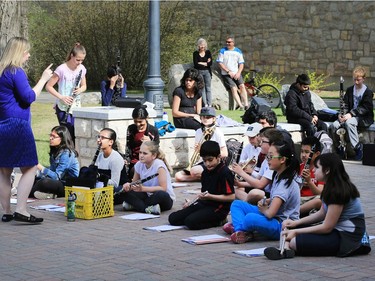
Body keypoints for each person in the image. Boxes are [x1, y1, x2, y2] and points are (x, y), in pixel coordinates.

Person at [264, 153, 371, 260]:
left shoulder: (337, 191)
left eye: (317, 167)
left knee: (294, 241)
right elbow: (321, 213)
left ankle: (287, 248)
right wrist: (295, 223)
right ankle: (286, 250)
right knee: (291, 228)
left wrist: (296, 232)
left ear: (327, 170)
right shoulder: (330, 187)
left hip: (347, 238)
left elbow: (326, 227)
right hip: (336, 230)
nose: (313, 170)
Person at [0, 37, 53, 223]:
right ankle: (21, 209)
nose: (29, 55)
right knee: (30, 167)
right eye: (26, 52)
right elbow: (28, 97)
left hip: (3, 124)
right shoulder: (16, 71)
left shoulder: (1, 72)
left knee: (4, 170)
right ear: (19, 52)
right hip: (18, 125)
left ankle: (6, 211)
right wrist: (43, 79)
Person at [225, 140, 300, 244]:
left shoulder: (284, 183)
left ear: (282, 159)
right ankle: (241, 231)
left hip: (281, 225)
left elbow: (270, 214)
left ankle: (239, 228)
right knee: (237, 204)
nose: (267, 159)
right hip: (273, 217)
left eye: (270, 157)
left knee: (250, 218)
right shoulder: (278, 174)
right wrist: (267, 201)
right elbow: (277, 200)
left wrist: (264, 209)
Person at [169, 141, 235, 229]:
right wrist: (192, 202)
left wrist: (210, 196)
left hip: (218, 208)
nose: (207, 164)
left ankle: (219, 221)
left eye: (210, 160)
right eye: (204, 160)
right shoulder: (205, 172)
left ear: (218, 157)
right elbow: (204, 193)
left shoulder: (224, 172)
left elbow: (231, 197)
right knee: (173, 218)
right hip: (204, 203)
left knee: (190, 222)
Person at [45, 43, 87, 143]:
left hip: (76, 106)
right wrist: (62, 97)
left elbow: (84, 86)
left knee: (76, 135)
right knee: (67, 136)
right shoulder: (61, 69)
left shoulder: (82, 68)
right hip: (63, 107)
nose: (79, 62)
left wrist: (79, 90)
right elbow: (48, 86)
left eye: (82, 60)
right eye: (77, 60)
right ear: (72, 55)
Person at [330, 66, 374, 161]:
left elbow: (365, 108)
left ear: (364, 79)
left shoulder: (368, 92)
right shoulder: (350, 90)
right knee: (334, 125)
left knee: (349, 122)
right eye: (354, 80)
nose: (356, 82)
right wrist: (341, 114)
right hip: (349, 116)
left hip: (363, 118)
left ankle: (357, 148)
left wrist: (351, 114)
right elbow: (345, 104)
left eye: (358, 80)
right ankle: (339, 148)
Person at [121, 141, 176, 215]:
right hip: (147, 195)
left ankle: (136, 205)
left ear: (153, 155)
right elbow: (134, 184)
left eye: (145, 153)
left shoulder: (159, 165)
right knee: (123, 192)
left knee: (161, 194)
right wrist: (128, 186)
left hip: (163, 198)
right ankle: (147, 208)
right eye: (140, 152)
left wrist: (143, 189)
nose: (141, 155)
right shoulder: (139, 164)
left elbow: (163, 188)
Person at [174, 107, 228, 182]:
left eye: (208, 117)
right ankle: (209, 177)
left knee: (194, 171)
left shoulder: (218, 132)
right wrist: (198, 150)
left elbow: (225, 153)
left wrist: (205, 151)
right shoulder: (199, 131)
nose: (205, 119)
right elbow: (199, 153)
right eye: (203, 117)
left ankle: (211, 176)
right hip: (201, 162)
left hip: (213, 162)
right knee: (178, 176)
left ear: (214, 119)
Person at [232, 128, 283, 204]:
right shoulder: (266, 159)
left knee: (255, 193)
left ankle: (248, 204)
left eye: (263, 142)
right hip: (263, 191)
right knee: (236, 189)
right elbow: (258, 180)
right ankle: (249, 203)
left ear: (272, 144)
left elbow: (260, 185)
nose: (260, 144)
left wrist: (241, 172)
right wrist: (239, 183)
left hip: (271, 195)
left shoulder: (274, 160)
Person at [29, 126, 79, 199]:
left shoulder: (67, 154)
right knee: (33, 177)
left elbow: (57, 176)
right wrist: (37, 173)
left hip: (67, 186)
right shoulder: (55, 151)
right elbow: (52, 171)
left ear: (62, 139)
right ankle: (47, 195)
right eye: (50, 135)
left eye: (54, 137)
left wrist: (42, 168)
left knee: (44, 182)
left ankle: (27, 193)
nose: (50, 138)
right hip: (57, 183)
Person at [125, 105, 159, 179]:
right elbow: (128, 147)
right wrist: (126, 160)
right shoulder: (131, 129)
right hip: (134, 162)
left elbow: (157, 151)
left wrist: (150, 143)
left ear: (147, 118)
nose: (138, 124)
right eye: (135, 121)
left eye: (140, 122)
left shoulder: (153, 131)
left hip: (148, 162)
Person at [216, 35, 249, 110]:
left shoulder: (238, 51)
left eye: (229, 42)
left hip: (236, 73)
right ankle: (240, 106)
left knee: (242, 86)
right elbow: (219, 63)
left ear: (233, 43)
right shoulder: (222, 51)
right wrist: (228, 71)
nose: (227, 43)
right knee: (233, 88)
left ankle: (246, 104)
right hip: (226, 74)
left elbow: (241, 64)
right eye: (226, 42)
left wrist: (238, 73)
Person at [299, 136, 324, 217]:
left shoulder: (320, 170)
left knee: (320, 200)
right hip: (299, 199)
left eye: (307, 152)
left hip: (312, 200)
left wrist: (310, 182)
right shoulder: (298, 167)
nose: (303, 155)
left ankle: (295, 211)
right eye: (302, 151)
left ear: (317, 154)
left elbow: (320, 192)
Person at [94, 128, 126, 193]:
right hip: (102, 188)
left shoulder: (115, 158)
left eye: (102, 138)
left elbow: (115, 184)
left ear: (111, 142)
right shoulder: (99, 156)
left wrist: (99, 178)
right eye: (98, 137)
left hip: (116, 192)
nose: (98, 140)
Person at [193, 38, 212, 107]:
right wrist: (206, 63)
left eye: (204, 45)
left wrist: (201, 62)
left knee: (208, 88)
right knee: (202, 88)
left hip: (207, 72)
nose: (202, 46)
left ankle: (210, 104)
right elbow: (196, 64)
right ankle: (205, 104)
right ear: (198, 46)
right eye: (201, 45)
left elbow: (210, 63)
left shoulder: (208, 52)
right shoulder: (195, 53)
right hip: (199, 72)